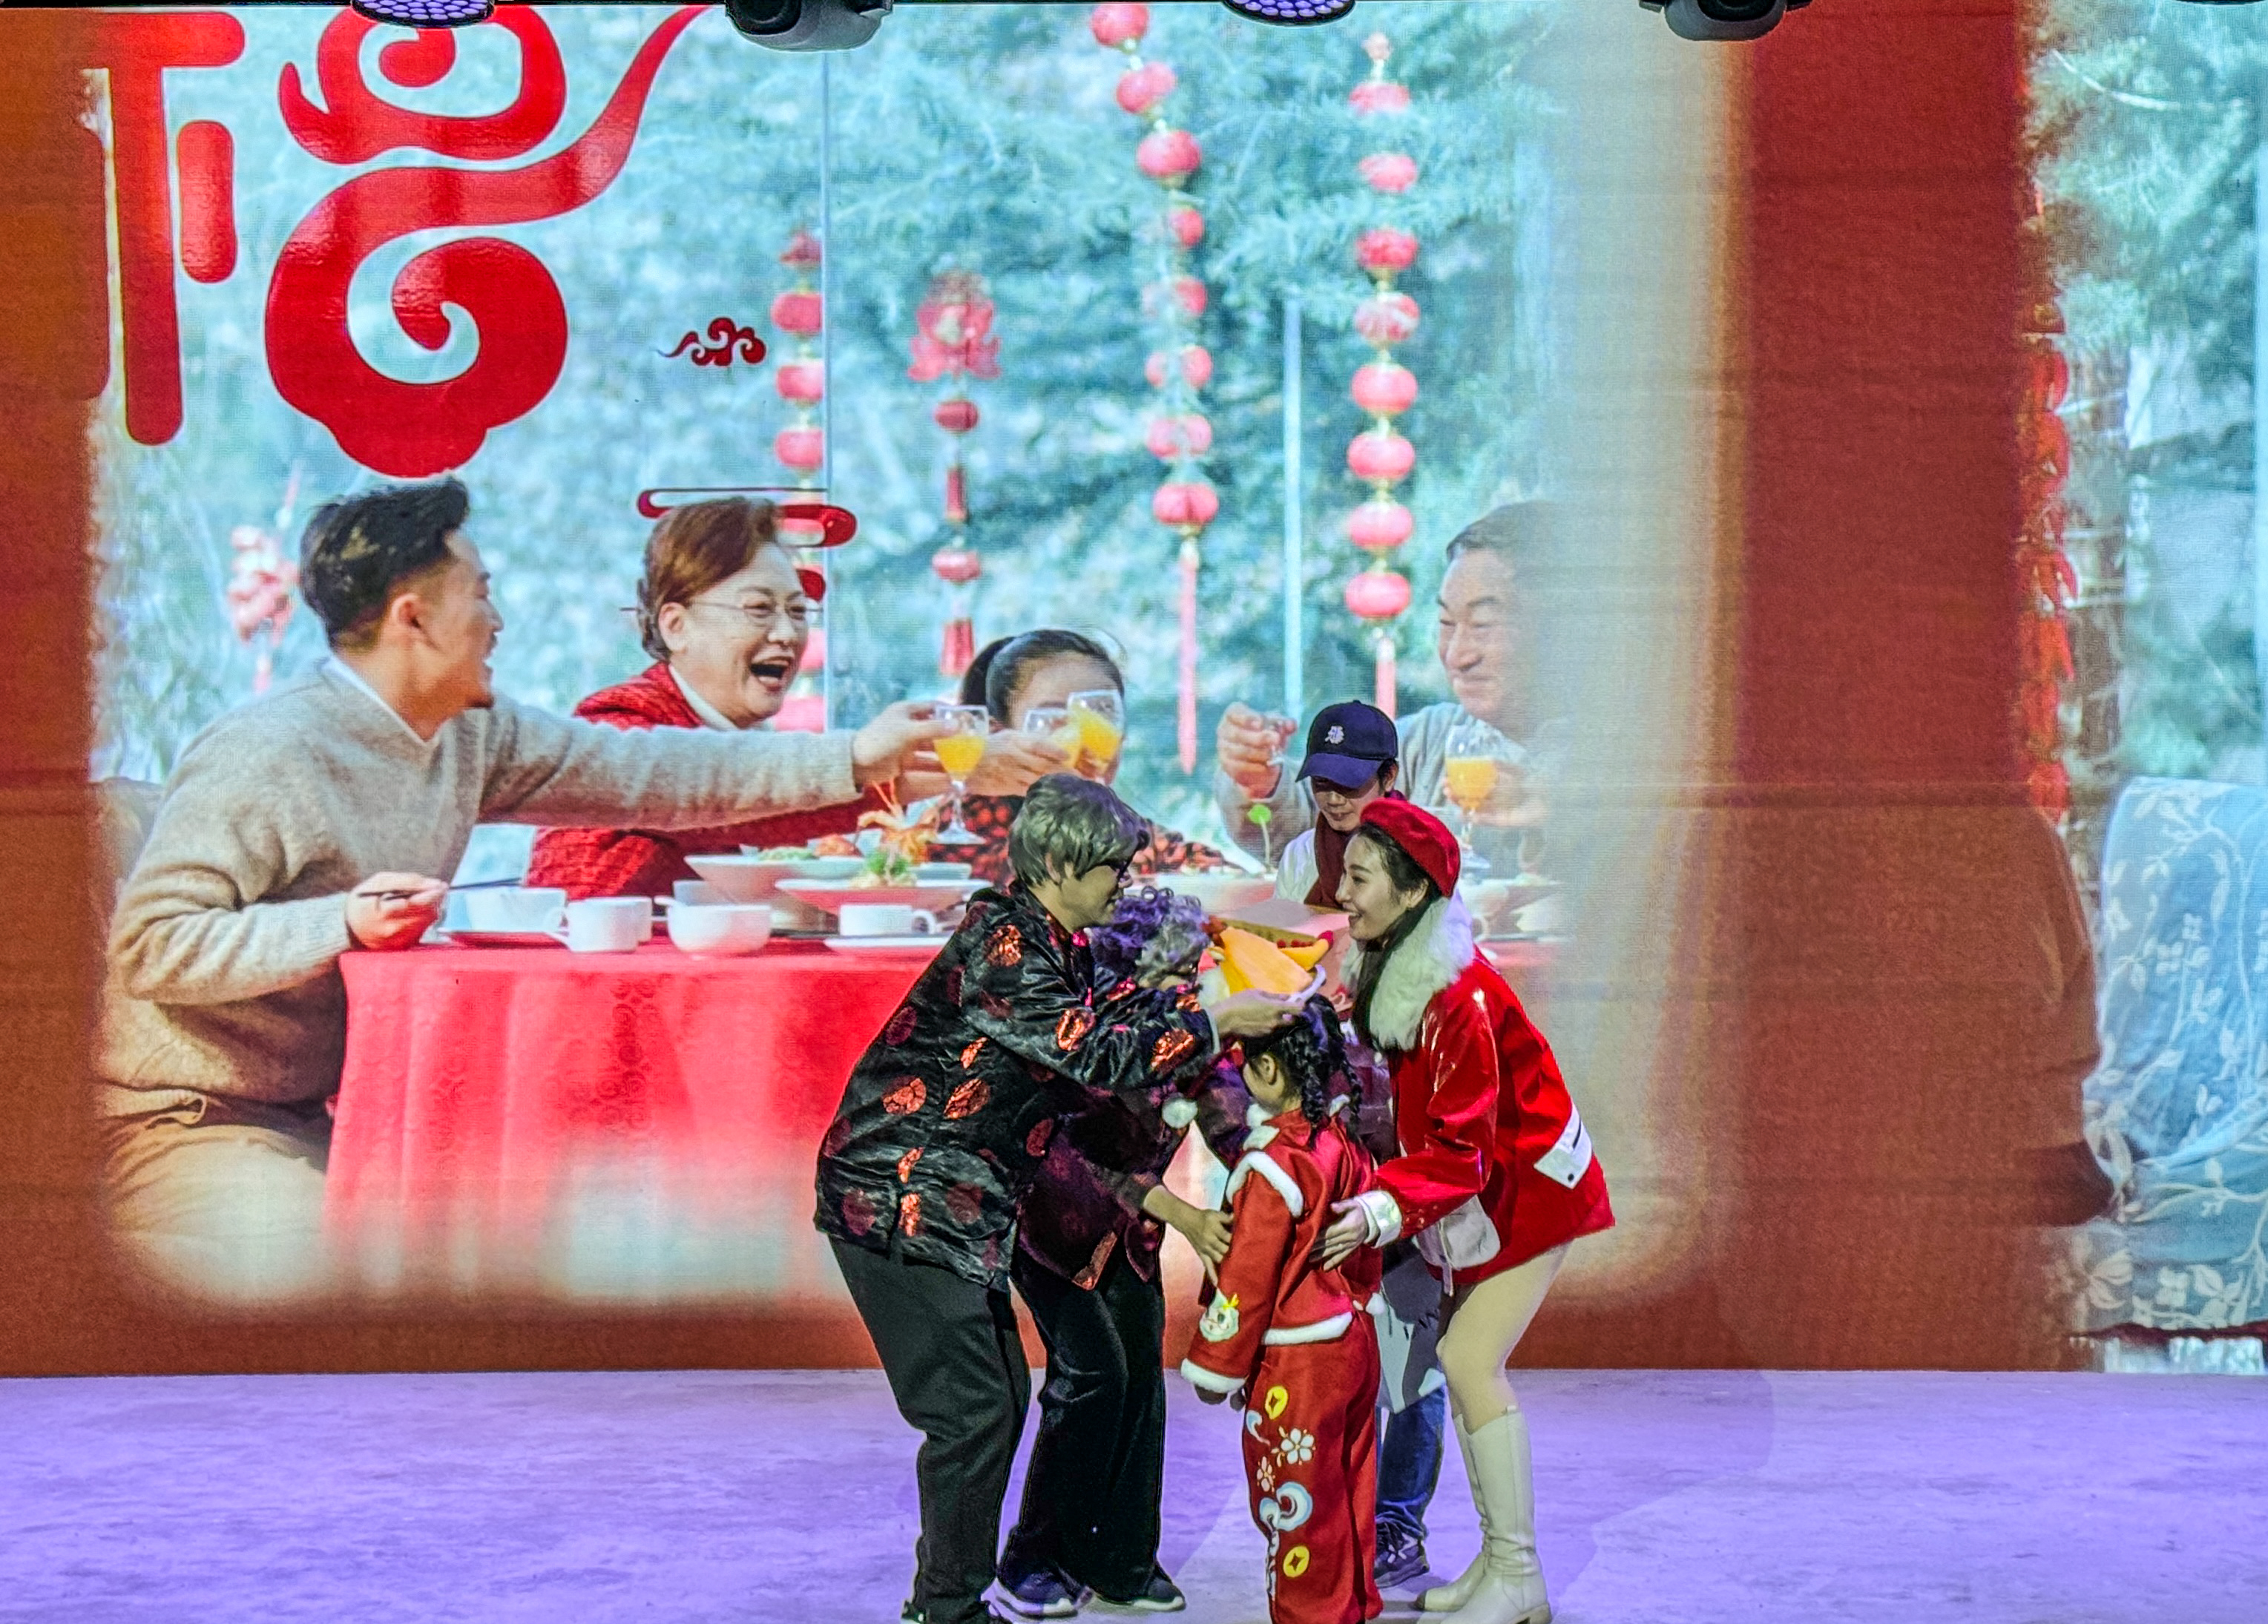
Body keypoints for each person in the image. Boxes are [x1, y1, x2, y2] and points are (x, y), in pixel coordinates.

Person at [99, 478, 949, 1303]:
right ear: (413, 617)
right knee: (357, 1278)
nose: (499, 620)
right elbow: (149, 944)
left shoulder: (468, 734)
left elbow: (658, 771)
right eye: (481, 594)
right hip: (192, 1117)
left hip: (348, 1108)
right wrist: (342, 922)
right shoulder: (270, 751)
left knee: (542, 1245)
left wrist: (856, 759)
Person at [812, 775, 1301, 1624]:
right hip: (901, 1196)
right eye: (1112, 865)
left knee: (996, 1403)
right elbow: (1096, 1055)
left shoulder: (1053, 945)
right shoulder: (1006, 944)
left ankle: (971, 1594)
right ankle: (953, 1604)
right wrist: (1217, 1022)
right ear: (1059, 863)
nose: (1123, 881)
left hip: (958, 1206)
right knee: (976, 1410)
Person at [1314, 800, 1613, 1624]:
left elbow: (1463, 1151)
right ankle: (1499, 1561)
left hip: (1532, 1194)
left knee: (1470, 1359)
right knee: (1460, 1357)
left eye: (1361, 878)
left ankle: (1519, 1574)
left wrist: (1377, 1210)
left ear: (1413, 893)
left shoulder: (1459, 995)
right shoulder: (1401, 972)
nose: (1344, 893)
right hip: (1489, 1196)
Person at [527, 498, 1049, 898]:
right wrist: (939, 768)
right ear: (676, 625)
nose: (786, 634)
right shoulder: (621, 722)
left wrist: (958, 766)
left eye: (798, 613)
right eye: (759, 609)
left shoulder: (743, 737)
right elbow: (736, 791)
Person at [995, 884, 1253, 1620]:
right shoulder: (1092, 1032)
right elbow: (1079, 1154)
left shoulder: (1192, 1034)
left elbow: (1232, 1123)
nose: (1185, 990)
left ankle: (1122, 1559)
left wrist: (1286, 1162)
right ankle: (1033, 1559)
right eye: (1171, 974)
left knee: (1140, 1382)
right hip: (1051, 1224)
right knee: (1092, 1376)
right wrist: (1188, 1216)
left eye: (1191, 971)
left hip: (1129, 1238)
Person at [1260, 698, 1450, 1591]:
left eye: (1351, 784)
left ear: (1391, 779)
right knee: (1331, 1337)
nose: (1334, 799)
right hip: (1329, 1135)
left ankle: (1400, 1518)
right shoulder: (1303, 859)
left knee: (1410, 1338)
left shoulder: (1430, 866)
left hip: (1404, 1136)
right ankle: (1337, 1508)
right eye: (1322, 784)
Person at [1180, 998, 1385, 1624]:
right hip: (1351, 1338)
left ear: (1268, 1070)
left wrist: (1217, 1365)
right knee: (1348, 1479)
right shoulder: (1339, 1140)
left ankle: (1308, 1613)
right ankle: (1351, 1602)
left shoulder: (1272, 1165)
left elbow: (1247, 1278)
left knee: (1294, 1494)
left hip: (1299, 1358)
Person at [1217, 505, 1560, 879]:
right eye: (1447, 623)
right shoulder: (1428, 743)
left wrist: (1559, 810)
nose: (1457, 655)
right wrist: (1261, 781)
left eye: (1483, 624)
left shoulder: (1608, 762)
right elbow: (1315, 834)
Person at [956, 631, 1233, 887]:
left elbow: (1229, 887)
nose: (1082, 737)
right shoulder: (956, 834)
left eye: (1100, 714)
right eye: (1054, 718)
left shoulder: (1135, 839)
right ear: (998, 736)